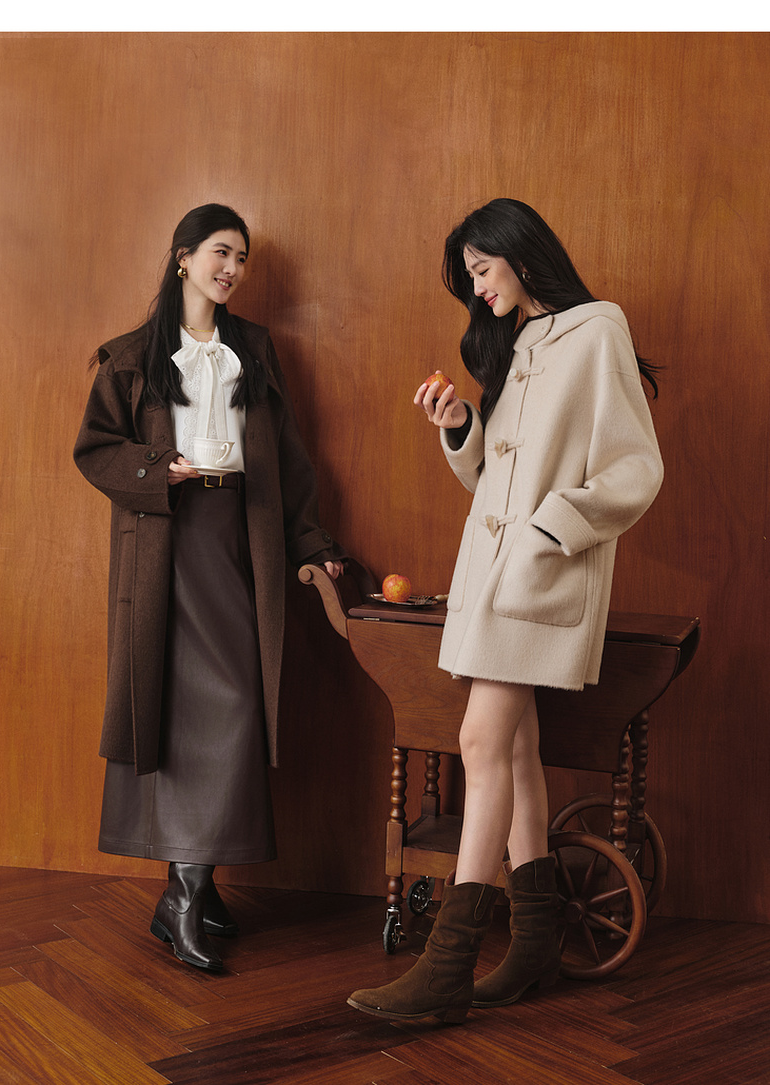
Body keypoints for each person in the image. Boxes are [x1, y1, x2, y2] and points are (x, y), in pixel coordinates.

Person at [348, 197, 663, 1023]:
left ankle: (447, 966)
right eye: (471, 279)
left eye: (482, 271)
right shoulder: (520, 341)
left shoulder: (597, 328)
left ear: (520, 255)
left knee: (481, 742)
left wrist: (549, 532)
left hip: (540, 575)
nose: (479, 290)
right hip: (490, 579)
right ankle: (534, 942)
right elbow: (493, 479)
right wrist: (461, 425)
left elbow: (635, 468)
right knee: (516, 749)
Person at [74, 203, 342, 973]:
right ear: (183, 256)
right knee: (180, 709)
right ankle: (187, 895)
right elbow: (94, 450)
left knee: (235, 706)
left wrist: (312, 544)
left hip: (239, 538)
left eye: (243, 257)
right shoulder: (132, 356)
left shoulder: (252, 348)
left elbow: (289, 457)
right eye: (222, 252)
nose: (233, 269)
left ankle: (193, 886)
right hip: (167, 540)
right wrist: (158, 468)